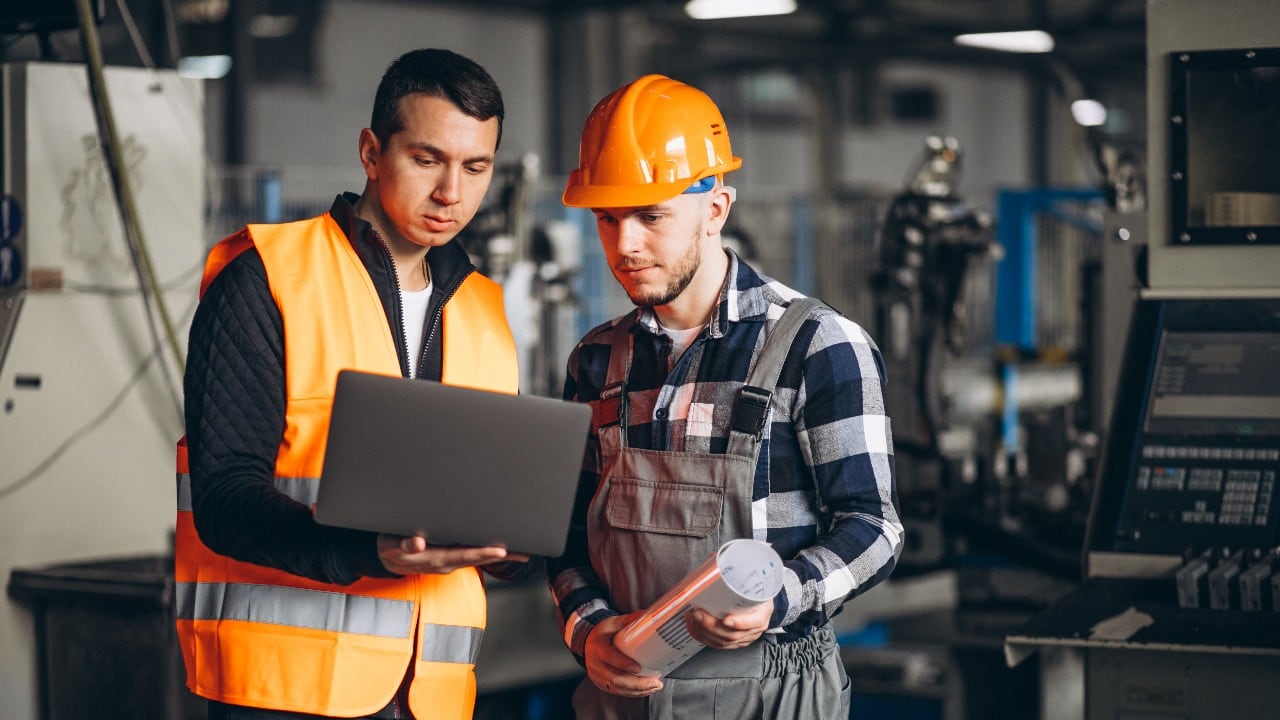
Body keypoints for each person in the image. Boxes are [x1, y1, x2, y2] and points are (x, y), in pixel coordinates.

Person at [176, 48, 527, 720]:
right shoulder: (267, 278)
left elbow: (492, 494)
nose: (452, 193)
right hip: (281, 691)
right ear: (371, 152)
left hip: (429, 696)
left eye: (475, 167)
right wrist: (368, 552)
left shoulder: (484, 310)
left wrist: (514, 548)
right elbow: (223, 498)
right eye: (427, 159)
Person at [547, 74, 903, 719]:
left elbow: (873, 527)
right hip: (622, 695)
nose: (623, 245)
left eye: (651, 216)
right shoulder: (597, 360)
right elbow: (569, 537)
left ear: (716, 208)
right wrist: (588, 630)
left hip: (772, 693)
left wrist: (783, 597)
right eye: (607, 218)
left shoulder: (818, 345)